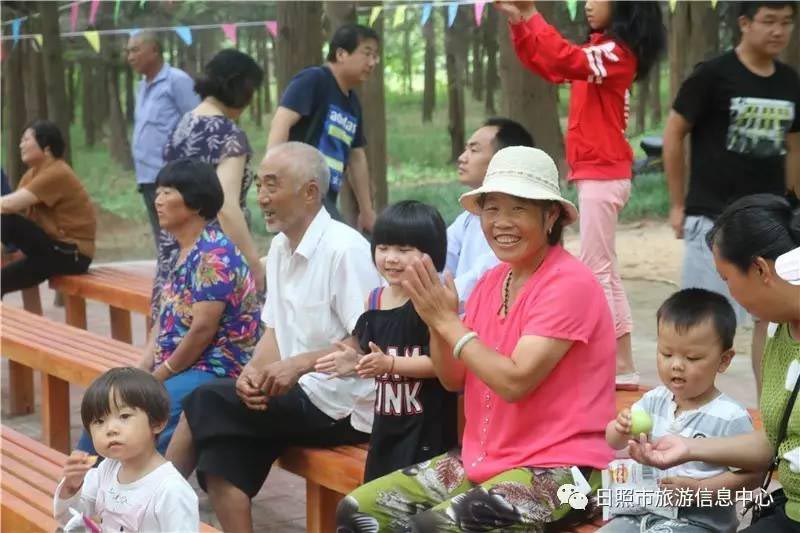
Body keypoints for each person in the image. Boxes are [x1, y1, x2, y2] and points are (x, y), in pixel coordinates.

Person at [336, 147, 616, 532]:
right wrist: (436, 322)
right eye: (492, 209)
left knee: (431, 529)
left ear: (551, 215)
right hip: (487, 461)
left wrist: (446, 322)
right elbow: (452, 377)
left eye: (518, 209)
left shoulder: (569, 284)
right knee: (357, 510)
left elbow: (514, 381)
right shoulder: (491, 281)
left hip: (566, 472)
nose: (502, 222)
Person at [165, 142, 381, 533]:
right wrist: (250, 373)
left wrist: (299, 365)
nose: (261, 197)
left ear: (310, 192)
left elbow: (369, 340)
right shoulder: (280, 246)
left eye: (272, 185)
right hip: (295, 394)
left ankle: (145, 508)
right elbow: (275, 330)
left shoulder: (345, 250)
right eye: (259, 186)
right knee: (221, 462)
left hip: (343, 405)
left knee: (204, 399)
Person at [495, 0, 666, 391]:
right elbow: (550, 65)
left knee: (596, 270)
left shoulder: (615, 53)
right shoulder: (600, 52)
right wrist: (521, 24)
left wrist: (533, 15)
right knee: (605, 270)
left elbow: (564, 58)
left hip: (604, 173)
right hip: (598, 173)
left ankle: (604, 360)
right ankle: (620, 364)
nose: (588, 5)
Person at [628, 194, 800, 532]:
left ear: (760, 269)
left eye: (726, 278)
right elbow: (773, 439)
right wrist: (686, 448)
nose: (729, 292)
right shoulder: (779, 332)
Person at [77, 158, 262, 456]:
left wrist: (160, 376)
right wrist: (140, 369)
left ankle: (126, 482)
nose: (158, 200)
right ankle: (81, 480)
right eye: (158, 191)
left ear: (195, 202)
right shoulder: (184, 251)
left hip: (215, 369)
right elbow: (164, 321)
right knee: (106, 403)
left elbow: (202, 329)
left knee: (137, 418)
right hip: (180, 367)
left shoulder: (214, 253)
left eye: (168, 192)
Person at [663, 1, 800, 398]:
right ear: (744, 23)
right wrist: (677, 203)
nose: (778, 31)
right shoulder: (713, 75)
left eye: (786, 23)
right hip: (712, 217)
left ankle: (768, 406)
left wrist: (794, 206)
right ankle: (692, 409)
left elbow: (794, 147)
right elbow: (674, 133)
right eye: (769, 21)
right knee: (702, 318)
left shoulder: (790, 82)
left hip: (769, 223)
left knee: (769, 322)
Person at [315, 200, 458, 482]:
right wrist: (354, 362)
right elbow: (374, 356)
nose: (391, 258)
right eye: (383, 248)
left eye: (403, 250)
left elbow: (439, 366)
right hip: (387, 424)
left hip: (427, 428)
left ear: (431, 253)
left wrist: (390, 364)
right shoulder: (374, 299)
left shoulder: (435, 301)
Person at [603, 288, 759, 533]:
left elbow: (752, 477)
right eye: (666, 353)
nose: (676, 365)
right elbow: (613, 442)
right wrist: (620, 428)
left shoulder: (730, 417)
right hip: (642, 510)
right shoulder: (654, 400)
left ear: (724, 360)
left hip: (699, 521)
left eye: (692, 358)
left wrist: (698, 491)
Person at [153, 48, 265, 321]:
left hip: (175, 250)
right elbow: (226, 206)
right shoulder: (228, 135)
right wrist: (254, 264)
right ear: (241, 87)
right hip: (212, 262)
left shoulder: (181, 126)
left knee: (171, 332)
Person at [54, 367, 198, 532]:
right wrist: (72, 486)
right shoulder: (106, 469)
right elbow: (70, 521)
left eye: (124, 416)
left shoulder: (171, 490)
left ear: (157, 423)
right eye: (99, 421)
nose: (110, 429)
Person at [267, 24, 379, 231]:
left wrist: (366, 210)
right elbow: (282, 121)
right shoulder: (314, 79)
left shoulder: (353, 103)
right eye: (367, 53)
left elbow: (356, 157)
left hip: (324, 197)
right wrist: (272, 176)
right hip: (298, 190)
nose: (372, 63)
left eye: (375, 56)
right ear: (341, 54)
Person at [0, 121, 95, 296]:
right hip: (49, 252)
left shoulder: (57, 172)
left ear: (47, 147)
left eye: (26, 140)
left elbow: (8, 205)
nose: (21, 145)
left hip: (71, 253)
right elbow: (12, 210)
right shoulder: (32, 174)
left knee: (5, 220)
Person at [447, 117, 535, 303]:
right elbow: (442, 257)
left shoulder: (520, 224)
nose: (462, 157)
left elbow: (485, 274)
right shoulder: (467, 218)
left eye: (474, 150)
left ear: (503, 160)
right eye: (466, 149)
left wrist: (438, 297)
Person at [127, 31, 200, 244]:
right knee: (163, 241)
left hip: (171, 178)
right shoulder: (141, 86)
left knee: (179, 240)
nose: (130, 57)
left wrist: (184, 168)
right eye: (128, 52)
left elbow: (197, 122)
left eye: (135, 50)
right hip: (147, 178)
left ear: (154, 51)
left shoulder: (176, 80)